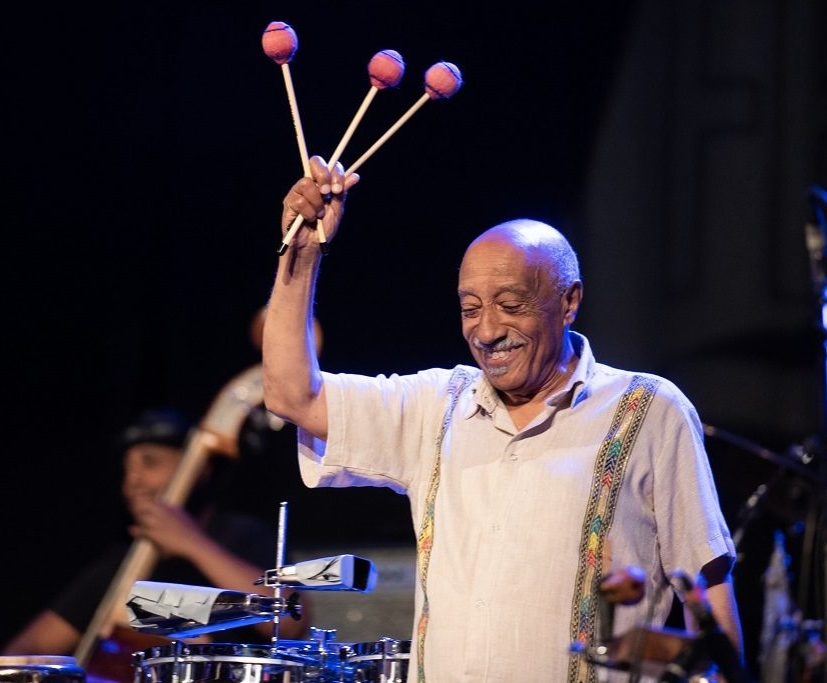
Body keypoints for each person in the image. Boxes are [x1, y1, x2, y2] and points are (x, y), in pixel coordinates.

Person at [261, 156, 744, 681]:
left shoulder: (649, 410)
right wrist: (303, 254)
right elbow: (291, 395)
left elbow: (708, 590)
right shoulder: (436, 405)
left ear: (569, 301)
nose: (487, 330)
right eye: (470, 308)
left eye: (510, 305)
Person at [2, 407, 309, 660]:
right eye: (127, 469)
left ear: (199, 468)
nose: (132, 481)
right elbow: (27, 651)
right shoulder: (123, 563)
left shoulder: (241, 537)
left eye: (150, 463)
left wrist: (192, 543)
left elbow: (291, 622)